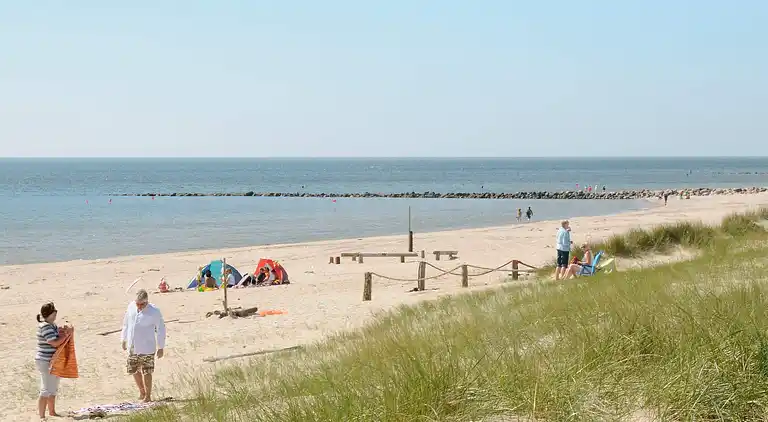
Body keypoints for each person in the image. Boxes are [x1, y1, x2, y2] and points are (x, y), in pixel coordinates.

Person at [120, 289, 166, 402]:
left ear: (147, 302)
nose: (139, 306)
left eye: (142, 304)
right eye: (138, 304)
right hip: (133, 346)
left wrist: (161, 347)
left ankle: (148, 396)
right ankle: (142, 392)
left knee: (147, 371)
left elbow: (161, 329)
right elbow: (126, 324)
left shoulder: (154, 311)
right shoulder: (131, 307)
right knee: (133, 370)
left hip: (147, 347)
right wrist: (123, 339)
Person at [35, 302, 71, 421]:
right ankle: (42, 416)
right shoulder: (45, 326)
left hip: (53, 360)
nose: (56, 313)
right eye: (54, 311)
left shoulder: (51, 325)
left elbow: (57, 337)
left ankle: (52, 412)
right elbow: (54, 342)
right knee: (45, 388)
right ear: (50, 314)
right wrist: (66, 335)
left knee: (53, 387)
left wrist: (63, 331)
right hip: (45, 361)